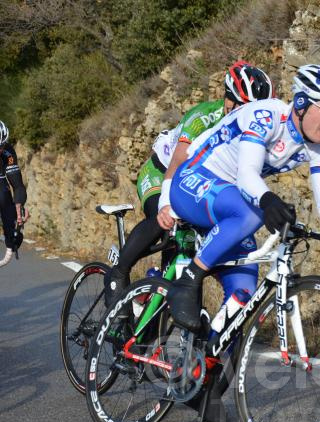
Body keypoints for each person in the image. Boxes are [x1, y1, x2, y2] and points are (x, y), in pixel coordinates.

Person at [163, 64, 320, 334]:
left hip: (230, 199)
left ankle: (211, 359)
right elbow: (247, 175)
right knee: (251, 214)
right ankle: (188, 281)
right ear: (301, 103)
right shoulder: (266, 115)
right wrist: (268, 202)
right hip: (193, 179)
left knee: (243, 294)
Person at [103, 61, 273, 305]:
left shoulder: (255, 130)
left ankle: (158, 289)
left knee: (193, 243)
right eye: (244, 108)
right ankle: (118, 272)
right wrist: (165, 205)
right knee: (164, 221)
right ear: (228, 100)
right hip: (162, 172)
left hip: (199, 180)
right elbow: (176, 164)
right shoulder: (203, 117)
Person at [0, 121, 29, 267]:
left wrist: (18, 205)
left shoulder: (7, 152)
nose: (0, 150)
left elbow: (18, 186)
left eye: (1, 146)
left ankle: (11, 236)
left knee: (4, 195)